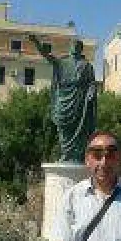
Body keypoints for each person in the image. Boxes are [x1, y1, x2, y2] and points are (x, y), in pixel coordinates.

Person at [29, 35, 96, 163]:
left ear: (81, 49)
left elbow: (92, 83)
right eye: (73, 45)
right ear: (70, 47)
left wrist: (91, 92)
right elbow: (47, 56)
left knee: (78, 128)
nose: (75, 48)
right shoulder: (62, 62)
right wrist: (37, 43)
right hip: (64, 98)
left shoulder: (87, 66)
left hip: (79, 99)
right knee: (62, 126)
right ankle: (66, 153)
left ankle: (76, 155)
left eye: (77, 46)